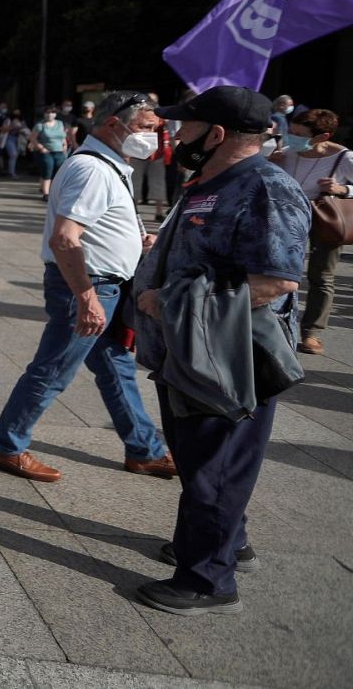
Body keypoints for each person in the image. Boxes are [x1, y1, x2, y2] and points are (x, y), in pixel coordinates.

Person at [133, 85, 310, 616]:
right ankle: (226, 541)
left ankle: (207, 578)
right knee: (199, 458)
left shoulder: (266, 188)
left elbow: (276, 280)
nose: (173, 133)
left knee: (216, 465)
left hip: (229, 355)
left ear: (216, 134)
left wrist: (170, 301)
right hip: (189, 349)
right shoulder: (207, 180)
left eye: (185, 125)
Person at [0, 90, 174, 484]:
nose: (152, 137)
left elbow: (92, 229)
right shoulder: (92, 169)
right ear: (113, 124)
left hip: (104, 285)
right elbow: (65, 239)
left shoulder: (110, 164)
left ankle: (144, 450)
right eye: (145, 127)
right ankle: (7, 445)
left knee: (117, 369)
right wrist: (87, 298)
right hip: (88, 286)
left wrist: (136, 240)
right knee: (53, 369)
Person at [270, 108, 353, 355]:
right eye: (291, 132)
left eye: (298, 134)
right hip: (286, 216)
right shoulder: (285, 153)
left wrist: (342, 190)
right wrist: (268, 164)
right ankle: (275, 323)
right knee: (278, 269)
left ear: (322, 137)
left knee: (321, 276)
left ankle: (312, 332)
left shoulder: (344, 158)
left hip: (324, 218)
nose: (292, 137)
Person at [32, 107, 68, 200]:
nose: (50, 114)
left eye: (52, 112)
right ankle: (46, 194)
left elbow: (62, 136)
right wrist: (41, 148)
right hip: (46, 151)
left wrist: (64, 145)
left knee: (58, 172)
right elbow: (33, 138)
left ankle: (54, 192)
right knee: (47, 170)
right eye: (47, 113)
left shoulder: (60, 123)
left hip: (59, 151)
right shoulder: (40, 125)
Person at [3, 110, 31, 179]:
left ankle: (12, 171)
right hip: (10, 138)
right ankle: (11, 172)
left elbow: (25, 129)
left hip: (19, 139)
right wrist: (13, 127)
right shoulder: (8, 120)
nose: (16, 114)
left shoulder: (22, 121)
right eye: (15, 112)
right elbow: (4, 129)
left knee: (15, 156)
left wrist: (20, 128)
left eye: (18, 112)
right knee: (13, 154)